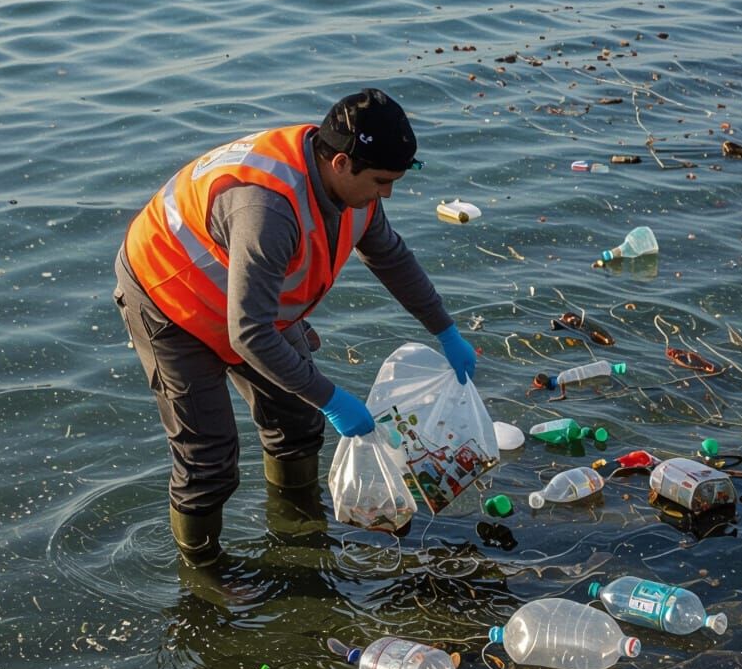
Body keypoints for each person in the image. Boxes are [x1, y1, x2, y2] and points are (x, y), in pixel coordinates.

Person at [113, 88, 476, 567]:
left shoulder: (352, 188)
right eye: (382, 180)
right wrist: (332, 398)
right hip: (171, 297)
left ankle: (298, 526)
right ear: (342, 163)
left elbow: (390, 255)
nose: (386, 193)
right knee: (209, 460)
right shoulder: (268, 210)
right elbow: (251, 335)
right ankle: (204, 573)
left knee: (298, 422)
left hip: (246, 299)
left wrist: (444, 329)